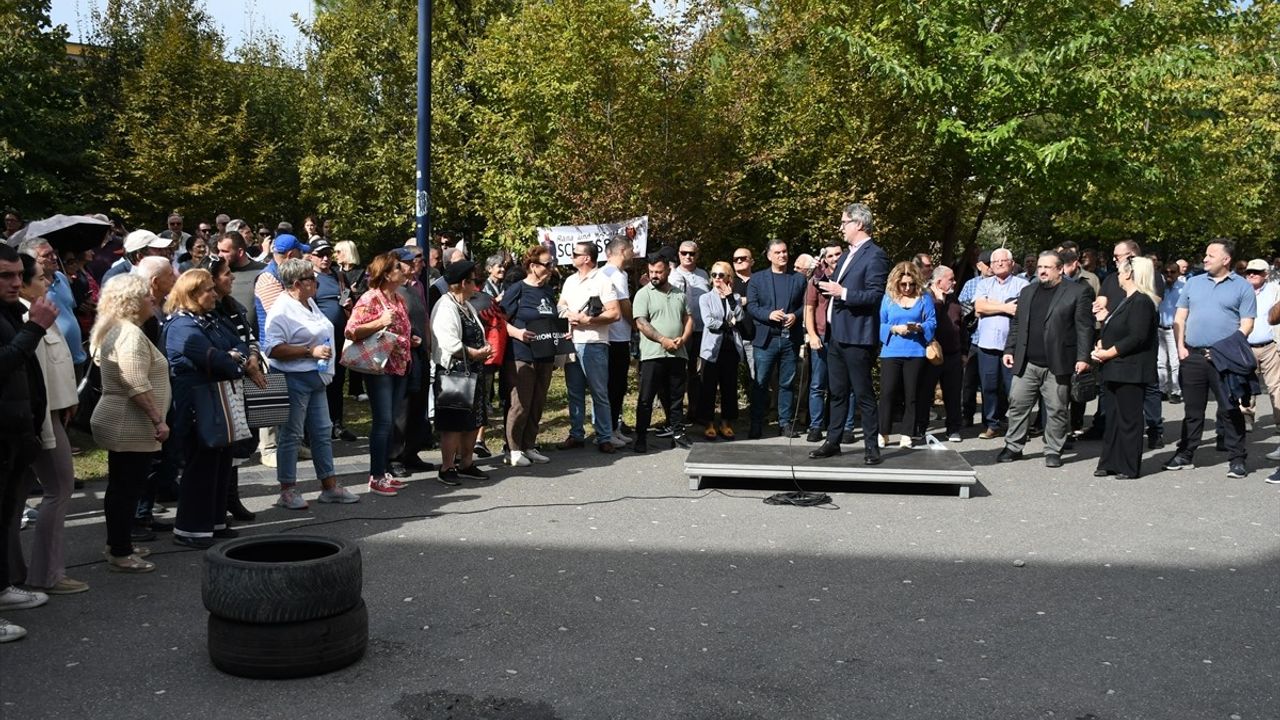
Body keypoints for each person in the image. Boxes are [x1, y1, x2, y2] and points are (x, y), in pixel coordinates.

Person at [164, 270, 250, 548]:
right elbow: (218, 359)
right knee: (200, 465)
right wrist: (235, 360)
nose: (215, 294)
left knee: (220, 462)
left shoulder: (209, 318)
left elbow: (239, 343)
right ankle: (191, 529)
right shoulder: (180, 326)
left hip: (217, 399)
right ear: (191, 295)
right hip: (196, 403)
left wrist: (237, 356)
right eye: (209, 290)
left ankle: (214, 522)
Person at [263, 258, 358, 509]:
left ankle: (329, 486)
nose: (316, 282)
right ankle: (287, 490)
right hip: (294, 378)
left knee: (322, 432)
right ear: (296, 283)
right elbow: (272, 348)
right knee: (291, 435)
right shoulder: (281, 309)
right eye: (310, 279)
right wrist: (309, 351)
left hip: (317, 377)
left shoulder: (308, 302)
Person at [89, 274, 167, 575]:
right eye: (147, 296)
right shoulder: (129, 334)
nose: (153, 299)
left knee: (123, 487)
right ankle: (121, 551)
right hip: (129, 422)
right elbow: (135, 381)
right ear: (132, 302)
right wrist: (157, 419)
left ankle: (118, 543)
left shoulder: (121, 329)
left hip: (124, 420)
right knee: (126, 488)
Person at [15, 254, 84, 595]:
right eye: (40, 277)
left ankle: (24, 571)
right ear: (23, 283)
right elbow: (36, 381)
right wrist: (46, 427)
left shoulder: (39, 312)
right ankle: (47, 574)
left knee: (24, 495)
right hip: (44, 420)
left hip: (54, 414)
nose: (47, 281)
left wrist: (68, 400)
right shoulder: (31, 318)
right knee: (59, 489)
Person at [0, 245, 57, 641]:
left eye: (19, 274)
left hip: (16, 430)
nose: (16, 283)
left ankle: (3, 587)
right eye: (5, 276)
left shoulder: (10, 310)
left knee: (5, 517)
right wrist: (34, 328)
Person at [1165, 241, 1255, 477]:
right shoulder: (1193, 283)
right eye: (1205, 255)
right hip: (1193, 355)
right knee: (1193, 410)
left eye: (1210, 255)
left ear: (1226, 260)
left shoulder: (1242, 287)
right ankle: (1185, 454)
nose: (1205, 259)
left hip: (1225, 359)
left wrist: (1227, 347)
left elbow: (1247, 323)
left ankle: (1237, 458)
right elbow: (1180, 317)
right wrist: (1180, 347)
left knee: (1229, 409)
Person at [996, 251, 1092, 468]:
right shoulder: (1028, 291)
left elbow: (1084, 327)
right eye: (1040, 267)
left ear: (1060, 269)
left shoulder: (1078, 291)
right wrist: (1009, 349)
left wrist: (1083, 356)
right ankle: (1013, 446)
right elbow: (1018, 324)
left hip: (1058, 362)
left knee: (1057, 409)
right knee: (1018, 404)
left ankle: (1053, 449)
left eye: (1047, 267)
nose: (1042, 271)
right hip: (1027, 362)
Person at [810, 203, 890, 464]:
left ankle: (871, 447)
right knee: (837, 392)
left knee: (863, 392)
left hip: (857, 336)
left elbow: (875, 295)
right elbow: (837, 287)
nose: (841, 227)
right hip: (837, 334)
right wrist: (820, 283)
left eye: (844, 222)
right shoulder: (846, 255)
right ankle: (833, 441)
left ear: (859, 224)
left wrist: (842, 293)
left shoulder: (875, 255)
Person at [345, 253, 414, 495]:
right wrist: (380, 322)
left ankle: (384, 471)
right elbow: (351, 331)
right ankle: (375, 475)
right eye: (398, 267)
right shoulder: (370, 298)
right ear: (386, 273)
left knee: (392, 420)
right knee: (383, 422)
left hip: (399, 366)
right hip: (379, 367)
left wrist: (409, 339)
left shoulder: (398, 298)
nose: (403, 270)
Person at [208, 257, 267, 522]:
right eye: (226, 274)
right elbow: (222, 348)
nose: (232, 278)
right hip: (223, 384)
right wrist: (246, 364)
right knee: (227, 442)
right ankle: (221, 502)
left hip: (245, 380)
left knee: (243, 440)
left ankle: (231, 497)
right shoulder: (207, 312)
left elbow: (249, 338)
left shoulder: (234, 305)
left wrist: (253, 357)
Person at [1091, 257, 1159, 478]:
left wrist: (1108, 352)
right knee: (1113, 417)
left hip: (1130, 370)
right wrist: (1102, 343)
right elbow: (1118, 329)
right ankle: (1110, 461)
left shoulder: (1142, 301)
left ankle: (1128, 465)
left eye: (1120, 271)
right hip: (1114, 368)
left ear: (1129, 274)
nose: (1117, 275)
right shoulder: (1126, 300)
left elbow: (1137, 337)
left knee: (1129, 419)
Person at [430, 261, 494, 484]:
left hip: (473, 370)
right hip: (453, 372)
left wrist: (484, 348)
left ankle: (467, 463)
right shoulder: (445, 306)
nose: (476, 285)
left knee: (473, 420)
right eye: (473, 280)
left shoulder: (467, 306)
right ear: (463, 283)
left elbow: (478, 331)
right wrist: (475, 353)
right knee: (453, 422)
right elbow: (449, 343)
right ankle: (447, 467)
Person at [558, 242, 621, 452]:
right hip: (572, 342)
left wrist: (588, 321)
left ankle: (604, 436)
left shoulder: (603, 281)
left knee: (598, 392)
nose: (572, 256)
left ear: (587, 258)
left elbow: (614, 313)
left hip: (594, 343)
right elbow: (561, 305)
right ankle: (576, 434)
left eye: (575, 254)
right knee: (574, 392)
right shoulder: (569, 281)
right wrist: (568, 315)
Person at [501, 246, 558, 467]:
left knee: (537, 401)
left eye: (551, 264)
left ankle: (529, 445)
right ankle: (513, 449)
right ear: (533, 266)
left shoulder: (548, 291)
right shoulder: (518, 289)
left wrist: (562, 332)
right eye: (547, 264)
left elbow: (550, 318)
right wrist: (517, 333)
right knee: (520, 403)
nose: (551, 268)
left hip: (545, 353)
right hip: (521, 354)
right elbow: (499, 320)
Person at [633, 253, 694, 452]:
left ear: (668, 270)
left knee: (676, 398)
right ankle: (641, 436)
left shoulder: (679, 294)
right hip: (653, 354)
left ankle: (678, 433)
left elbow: (688, 319)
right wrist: (663, 340)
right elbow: (641, 323)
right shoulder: (644, 294)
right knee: (646, 398)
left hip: (677, 354)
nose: (654, 275)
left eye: (659, 271)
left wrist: (682, 339)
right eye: (651, 272)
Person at [746, 239, 806, 439]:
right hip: (766, 339)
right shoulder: (758, 279)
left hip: (790, 339)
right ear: (769, 256)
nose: (783, 255)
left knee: (787, 383)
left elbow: (806, 305)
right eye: (778, 252)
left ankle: (785, 423)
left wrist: (795, 316)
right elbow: (752, 307)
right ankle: (756, 423)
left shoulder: (798, 279)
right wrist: (768, 315)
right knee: (760, 383)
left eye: (785, 251)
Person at [877, 262, 936, 448]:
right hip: (891, 351)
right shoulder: (888, 298)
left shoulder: (924, 297)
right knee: (887, 393)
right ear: (896, 283)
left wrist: (920, 327)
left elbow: (933, 322)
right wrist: (893, 328)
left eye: (911, 284)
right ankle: (883, 432)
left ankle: (907, 434)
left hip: (916, 351)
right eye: (903, 284)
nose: (908, 288)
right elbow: (880, 324)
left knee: (912, 395)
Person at [973, 248, 1028, 439]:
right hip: (987, 345)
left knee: (1013, 389)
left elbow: (1021, 311)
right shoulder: (983, 284)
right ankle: (992, 424)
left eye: (1003, 261)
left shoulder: (1023, 285)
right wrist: (1005, 306)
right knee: (988, 386)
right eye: (995, 262)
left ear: (1012, 263)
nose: (999, 264)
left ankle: (1016, 426)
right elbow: (979, 307)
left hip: (1011, 346)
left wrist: (991, 305)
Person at [804, 244, 855, 444]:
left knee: (846, 385)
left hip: (846, 336)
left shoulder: (851, 277)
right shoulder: (816, 280)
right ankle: (815, 426)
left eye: (838, 254)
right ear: (824, 259)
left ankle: (847, 427)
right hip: (823, 336)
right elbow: (809, 309)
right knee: (818, 384)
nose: (834, 258)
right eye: (830, 255)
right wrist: (813, 334)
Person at [308, 240, 357, 442]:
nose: (326, 258)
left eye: (328, 254)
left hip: (340, 337)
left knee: (337, 381)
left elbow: (346, 298)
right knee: (319, 381)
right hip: (319, 340)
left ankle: (336, 424)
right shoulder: (308, 277)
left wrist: (348, 303)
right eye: (320, 255)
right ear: (311, 256)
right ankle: (316, 426)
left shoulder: (339, 275)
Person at [697, 261, 747, 440]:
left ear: (729, 278)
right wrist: (727, 324)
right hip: (711, 349)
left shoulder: (736, 297)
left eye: (721, 275)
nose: (717, 278)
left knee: (729, 387)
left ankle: (726, 422)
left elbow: (740, 318)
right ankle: (708, 422)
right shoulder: (705, 298)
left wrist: (732, 300)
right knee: (708, 387)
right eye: (714, 275)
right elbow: (709, 322)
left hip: (731, 348)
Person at [21, 238, 87, 374]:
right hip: (56, 362)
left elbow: (70, 312)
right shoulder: (30, 289)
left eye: (54, 252)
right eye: (47, 255)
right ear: (32, 260)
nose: (55, 257)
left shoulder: (61, 277)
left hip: (77, 355)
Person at [917, 265, 965, 442]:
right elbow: (926, 322)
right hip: (931, 355)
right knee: (924, 393)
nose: (954, 282)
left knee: (953, 394)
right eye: (950, 279)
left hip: (953, 354)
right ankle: (920, 427)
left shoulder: (953, 299)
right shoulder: (925, 297)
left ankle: (953, 428)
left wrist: (964, 351)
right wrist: (937, 301)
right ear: (939, 281)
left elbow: (962, 326)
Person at [1241, 259, 1280, 452]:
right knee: (1246, 384)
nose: (1251, 274)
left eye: (1256, 272)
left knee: (1276, 386)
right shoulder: (1240, 289)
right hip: (1245, 346)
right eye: (1249, 271)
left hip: (1270, 345)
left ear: (1266, 273)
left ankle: (1279, 421)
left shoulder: (1275, 290)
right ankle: (1247, 419)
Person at [669, 241, 710, 420]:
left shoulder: (704, 274)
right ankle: (676, 413)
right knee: (680, 372)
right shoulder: (672, 275)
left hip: (703, 330)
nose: (688, 256)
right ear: (678, 254)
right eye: (684, 253)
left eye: (692, 254)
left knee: (699, 373)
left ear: (697, 255)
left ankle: (696, 410)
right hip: (681, 331)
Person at [600, 237, 635, 444]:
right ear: (623, 250)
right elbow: (624, 304)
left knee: (614, 385)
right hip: (617, 336)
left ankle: (613, 427)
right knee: (615, 385)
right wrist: (637, 324)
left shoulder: (604, 272)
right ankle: (610, 430)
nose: (633, 254)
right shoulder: (616, 274)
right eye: (631, 250)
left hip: (610, 336)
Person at [333, 240, 369, 402]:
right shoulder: (334, 273)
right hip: (337, 319)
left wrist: (353, 293)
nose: (335, 255)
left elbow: (365, 297)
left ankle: (356, 389)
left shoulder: (362, 273)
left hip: (355, 318)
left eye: (338, 251)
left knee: (355, 353)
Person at [1157, 262, 1185, 403]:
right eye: (1166, 272)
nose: (1169, 274)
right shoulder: (1160, 287)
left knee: (1175, 362)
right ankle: (1162, 389)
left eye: (1172, 272)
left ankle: (1176, 391)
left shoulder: (1183, 289)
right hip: (1159, 328)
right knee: (1160, 362)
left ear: (1178, 273)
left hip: (1174, 329)